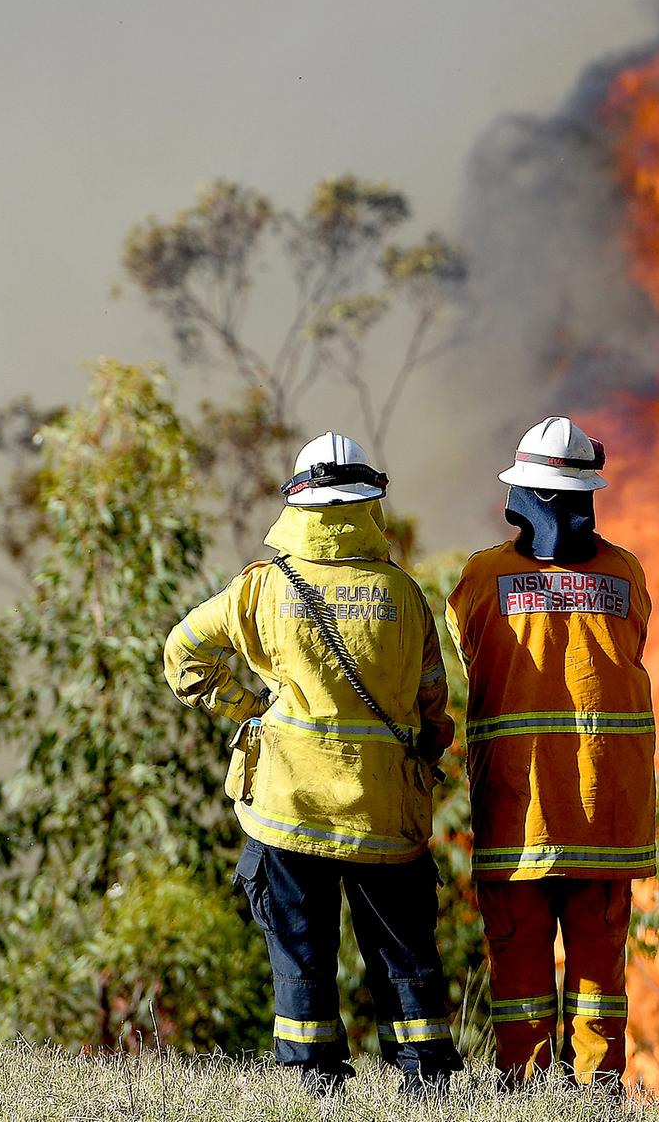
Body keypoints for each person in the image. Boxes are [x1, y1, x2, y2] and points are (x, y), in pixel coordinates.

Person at [163, 431, 461, 1096]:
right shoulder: (403, 594)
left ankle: (312, 1091)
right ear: (369, 505)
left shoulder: (263, 589)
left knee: (300, 957)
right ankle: (428, 1089)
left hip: (287, 810)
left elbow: (182, 652)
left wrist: (246, 710)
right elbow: (434, 705)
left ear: (299, 507)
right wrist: (424, 740)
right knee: (405, 958)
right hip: (383, 817)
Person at [448, 416, 655, 1087]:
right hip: (606, 822)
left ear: (525, 495)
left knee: (520, 977)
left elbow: (468, 655)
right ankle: (597, 1096)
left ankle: (525, 1094)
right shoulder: (625, 572)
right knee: (600, 976)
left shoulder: (482, 577)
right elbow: (635, 643)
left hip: (519, 819)